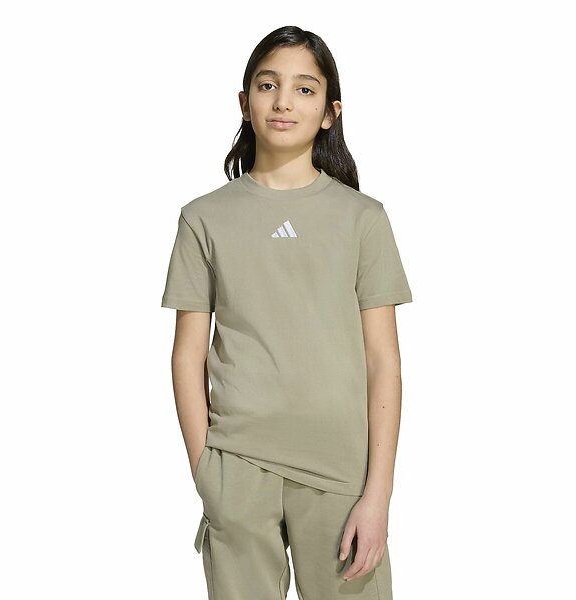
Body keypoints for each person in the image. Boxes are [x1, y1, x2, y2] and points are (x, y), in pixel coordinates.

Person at [161, 25, 413, 600]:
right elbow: (186, 354)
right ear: (244, 101)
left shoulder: (363, 219)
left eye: (305, 89)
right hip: (238, 464)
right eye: (267, 85)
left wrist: (378, 494)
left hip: (341, 471)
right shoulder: (203, 218)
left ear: (330, 112)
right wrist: (206, 470)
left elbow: (383, 361)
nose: (283, 101)